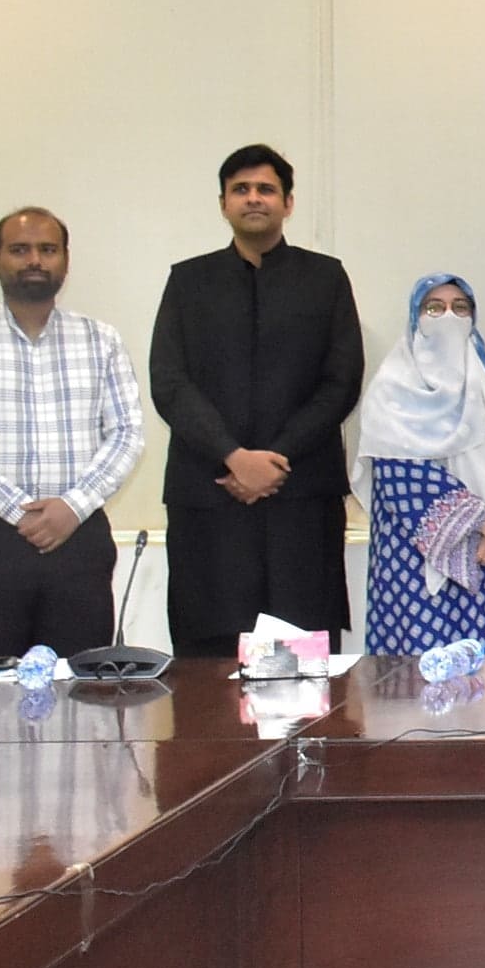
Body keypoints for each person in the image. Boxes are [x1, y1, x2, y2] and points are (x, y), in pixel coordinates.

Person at [146, 145, 364, 655]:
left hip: (302, 502)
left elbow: (341, 382)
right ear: (222, 203)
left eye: (265, 189)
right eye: (240, 190)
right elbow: (169, 382)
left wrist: (275, 459)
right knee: (208, 667)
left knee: (305, 669)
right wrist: (234, 456)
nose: (253, 199)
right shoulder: (188, 282)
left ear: (288, 202)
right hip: (209, 499)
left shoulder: (325, 279)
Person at [0, 207, 147, 657]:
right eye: (20, 250)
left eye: (48, 250)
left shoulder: (101, 340)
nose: (34, 261)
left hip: (79, 537)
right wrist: (16, 510)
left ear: (65, 259)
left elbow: (126, 433)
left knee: (82, 690)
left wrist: (71, 506)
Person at [358, 274, 485, 656]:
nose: (448, 318)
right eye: (434, 308)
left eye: (460, 309)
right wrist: (480, 519)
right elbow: (400, 476)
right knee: (419, 693)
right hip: (414, 568)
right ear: (416, 319)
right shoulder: (391, 390)